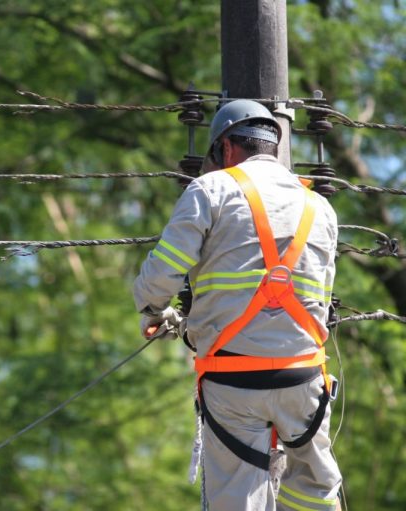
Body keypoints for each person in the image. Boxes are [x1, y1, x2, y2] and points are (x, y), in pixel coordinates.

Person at [133, 99, 342, 510]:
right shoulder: (321, 207)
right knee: (315, 490)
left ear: (226, 149)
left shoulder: (212, 189)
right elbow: (322, 293)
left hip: (233, 380)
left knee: (236, 496)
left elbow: (164, 273)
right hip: (302, 378)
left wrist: (155, 311)